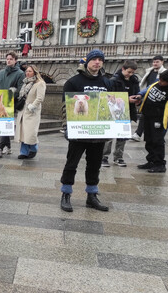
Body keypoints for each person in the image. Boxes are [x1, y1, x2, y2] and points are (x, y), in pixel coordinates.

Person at [59, 49, 117, 213]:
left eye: (100, 60)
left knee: (94, 165)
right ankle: (66, 194)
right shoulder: (73, 82)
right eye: (94, 59)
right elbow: (65, 106)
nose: (97, 62)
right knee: (72, 164)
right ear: (87, 62)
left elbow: (111, 105)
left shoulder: (107, 83)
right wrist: (66, 126)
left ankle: (92, 195)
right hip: (79, 131)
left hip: (98, 132)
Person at [133, 70, 168, 173]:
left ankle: (160, 164)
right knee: (149, 140)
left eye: (162, 81)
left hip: (158, 118)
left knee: (157, 141)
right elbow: (147, 89)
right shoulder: (158, 82)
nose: (160, 82)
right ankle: (151, 161)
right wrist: (139, 95)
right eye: (160, 79)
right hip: (147, 115)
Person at [102, 61, 140, 167]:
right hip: (113, 111)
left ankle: (118, 157)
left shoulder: (134, 81)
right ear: (123, 69)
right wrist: (127, 99)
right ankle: (104, 157)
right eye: (129, 72)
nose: (130, 74)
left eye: (132, 72)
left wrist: (138, 98)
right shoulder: (114, 80)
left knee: (122, 136)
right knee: (109, 136)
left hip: (127, 111)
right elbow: (109, 96)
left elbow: (137, 92)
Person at [0, 51, 24, 158]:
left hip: (11, 102)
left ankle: (0, 148)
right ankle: (8, 147)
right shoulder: (1, 72)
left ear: (15, 60)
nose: (9, 61)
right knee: (4, 124)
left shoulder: (20, 73)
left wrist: (12, 94)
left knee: (4, 123)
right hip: (0, 103)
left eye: (11, 59)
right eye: (7, 59)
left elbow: (20, 89)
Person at [132, 55, 166, 141]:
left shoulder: (164, 73)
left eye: (157, 62)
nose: (155, 63)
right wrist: (141, 93)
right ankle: (138, 133)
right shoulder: (149, 71)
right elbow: (147, 85)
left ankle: (158, 137)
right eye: (154, 62)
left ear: (162, 62)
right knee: (144, 114)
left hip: (158, 97)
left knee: (158, 118)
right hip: (148, 96)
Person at [14, 65, 46, 159]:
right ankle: (23, 152)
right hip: (23, 110)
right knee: (23, 132)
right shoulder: (25, 83)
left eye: (30, 71)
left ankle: (33, 148)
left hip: (32, 111)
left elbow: (40, 98)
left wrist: (33, 106)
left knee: (30, 132)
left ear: (35, 72)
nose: (27, 73)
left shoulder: (40, 83)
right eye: (27, 71)